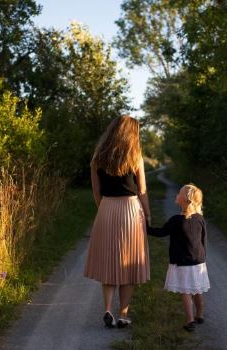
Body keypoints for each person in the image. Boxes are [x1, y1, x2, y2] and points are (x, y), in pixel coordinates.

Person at [84, 115, 151, 329]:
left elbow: (96, 190)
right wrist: (147, 214)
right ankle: (123, 314)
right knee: (129, 263)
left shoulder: (97, 157)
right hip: (131, 210)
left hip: (106, 208)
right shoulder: (135, 155)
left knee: (109, 262)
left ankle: (107, 310)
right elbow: (141, 190)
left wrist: (103, 208)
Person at [147, 184, 209, 332]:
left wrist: (146, 227)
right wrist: (202, 258)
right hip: (198, 262)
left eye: (179, 193)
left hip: (182, 262)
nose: (177, 194)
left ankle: (189, 320)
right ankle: (200, 315)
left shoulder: (176, 220)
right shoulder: (200, 219)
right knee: (197, 290)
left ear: (185, 200)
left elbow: (161, 232)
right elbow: (203, 240)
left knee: (185, 291)